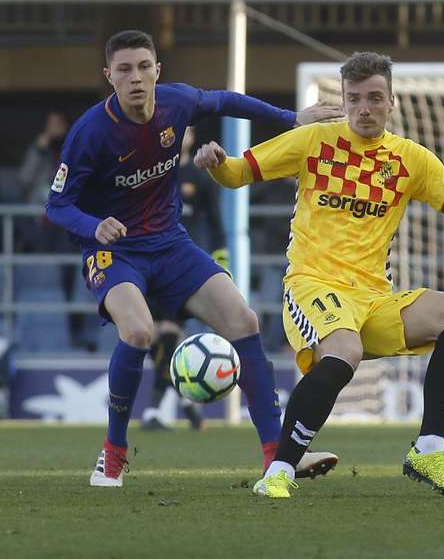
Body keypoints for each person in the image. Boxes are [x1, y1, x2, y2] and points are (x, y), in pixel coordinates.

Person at [45, 30, 342, 487]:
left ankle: (277, 457)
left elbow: (223, 100)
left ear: (157, 71)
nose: (136, 78)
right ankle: (114, 451)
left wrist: (292, 117)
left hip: (169, 243)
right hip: (114, 250)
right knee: (140, 331)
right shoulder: (91, 132)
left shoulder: (177, 102)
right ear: (110, 77)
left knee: (243, 320)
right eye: (124, 70)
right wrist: (94, 226)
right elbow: (57, 205)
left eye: (144, 67)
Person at [195, 51, 444, 499]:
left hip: (373, 297)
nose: (364, 108)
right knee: (344, 351)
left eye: (375, 98)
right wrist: (216, 161)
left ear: (391, 101)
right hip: (313, 284)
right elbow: (237, 174)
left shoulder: (411, 159)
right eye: (355, 99)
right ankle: (279, 470)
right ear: (345, 100)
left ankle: (429, 450)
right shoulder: (313, 140)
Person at [141, 128, 223, 432]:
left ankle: (153, 411)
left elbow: (215, 222)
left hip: (183, 264)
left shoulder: (199, 175)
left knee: (168, 332)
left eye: (187, 128)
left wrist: (220, 261)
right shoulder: (151, 171)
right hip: (149, 261)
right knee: (157, 338)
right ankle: (186, 400)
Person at [18, 111, 69, 204]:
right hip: (39, 209)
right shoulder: (38, 149)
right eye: (52, 124)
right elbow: (25, 179)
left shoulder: (72, 149)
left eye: (58, 124)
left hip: (65, 205)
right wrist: (39, 151)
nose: (55, 128)